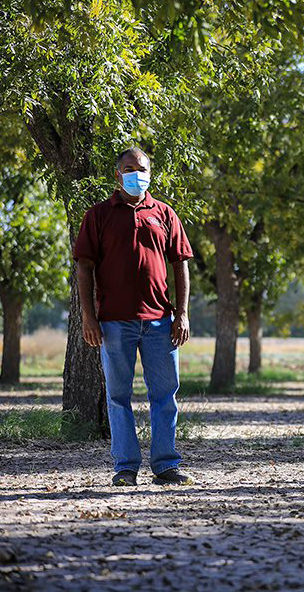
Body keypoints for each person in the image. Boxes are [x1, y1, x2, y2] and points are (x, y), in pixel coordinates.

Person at [74, 147, 194, 487]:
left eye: (141, 168)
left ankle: (165, 465)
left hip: (160, 321)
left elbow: (180, 265)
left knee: (165, 395)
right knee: (117, 397)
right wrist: (88, 316)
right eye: (128, 168)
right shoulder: (98, 215)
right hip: (113, 322)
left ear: (150, 173)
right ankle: (125, 467)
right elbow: (84, 267)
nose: (135, 173)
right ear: (118, 174)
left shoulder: (165, 214)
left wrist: (182, 314)